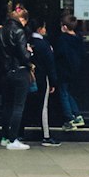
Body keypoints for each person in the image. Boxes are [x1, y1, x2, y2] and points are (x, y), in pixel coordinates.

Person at [0, 3, 32, 150]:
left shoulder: (1, 31)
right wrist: (29, 52)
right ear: (23, 19)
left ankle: (5, 137)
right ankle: (13, 139)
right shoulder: (19, 31)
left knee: (7, 105)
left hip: (5, 72)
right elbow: (23, 55)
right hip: (19, 71)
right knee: (18, 106)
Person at [27, 17, 59, 146]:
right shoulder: (44, 45)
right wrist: (53, 82)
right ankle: (46, 136)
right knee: (43, 106)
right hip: (41, 77)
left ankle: (19, 133)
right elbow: (50, 65)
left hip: (27, 75)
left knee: (25, 104)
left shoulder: (27, 41)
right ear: (40, 29)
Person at [55, 14, 86, 130]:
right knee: (68, 93)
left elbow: (60, 55)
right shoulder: (78, 39)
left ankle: (69, 119)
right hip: (74, 70)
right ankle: (77, 115)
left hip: (63, 70)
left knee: (63, 93)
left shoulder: (63, 39)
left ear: (64, 27)